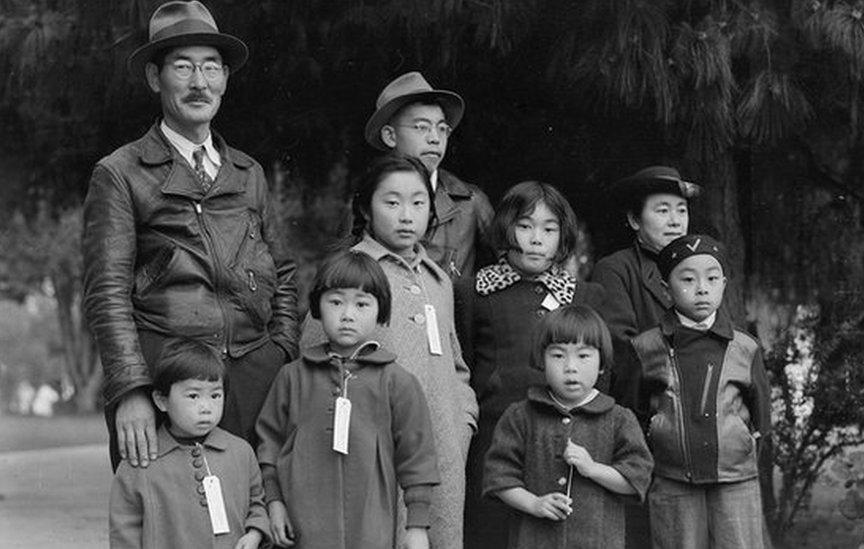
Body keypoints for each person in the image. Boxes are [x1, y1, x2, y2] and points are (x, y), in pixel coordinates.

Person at [82, 1, 299, 471]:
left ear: (224, 77)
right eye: (183, 67)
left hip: (254, 374)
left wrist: (280, 353)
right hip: (167, 376)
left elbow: (282, 273)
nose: (199, 82)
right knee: (167, 524)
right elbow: (107, 294)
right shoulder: (120, 173)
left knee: (256, 523)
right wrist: (132, 390)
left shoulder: (248, 172)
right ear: (155, 78)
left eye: (210, 67)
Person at [302, 154, 477, 549]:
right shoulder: (348, 273)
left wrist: (461, 420)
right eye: (392, 202)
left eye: (418, 203)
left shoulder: (438, 280)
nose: (406, 215)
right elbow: (312, 361)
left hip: (442, 454)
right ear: (366, 207)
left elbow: (456, 363)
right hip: (371, 454)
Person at [455, 181, 605, 548]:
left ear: (562, 236)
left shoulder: (584, 296)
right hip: (493, 441)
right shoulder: (473, 292)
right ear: (506, 228)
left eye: (549, 229)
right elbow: (464, 364)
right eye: (525, 226)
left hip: (564, 442)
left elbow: (605, 374)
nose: (537, 238)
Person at [256, 250, 439, 549]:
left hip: (371, 530)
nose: (347, 315)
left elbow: (417, 458)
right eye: (336, 302)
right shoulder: (292, 377)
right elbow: (269, 446)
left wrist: (416, 526)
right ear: (317, 307)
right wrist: (274, 503)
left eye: (362, 303)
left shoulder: (398, 382)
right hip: (302, 528)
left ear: (381, 311)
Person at [630, 234, 771, 548]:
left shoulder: (744, 347)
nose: (702, 288)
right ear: (666, 288)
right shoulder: (647, 347)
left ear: (723, 284)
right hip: (672, 480)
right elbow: (634, 416)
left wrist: (741, 450)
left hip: (736, 480)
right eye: (688, 279)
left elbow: (762, 416)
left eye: (711, 278)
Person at [481, 305, 653, 549]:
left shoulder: (619, 419)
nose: (570, 366)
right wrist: (534, 504)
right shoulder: (520, 416)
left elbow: (636, 479)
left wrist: (592, 468)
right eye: (558, 355)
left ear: (602, 363)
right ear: (541, 360)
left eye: (583, 356)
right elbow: (498, 478)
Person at [589, 165, 699, 547]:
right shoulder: (616, 269)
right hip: (643, 425)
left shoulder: (700, 270)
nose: (674, 221)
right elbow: (624, 351)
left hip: (698, 427)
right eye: (662, 210)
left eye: (681, 210)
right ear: (635, 219)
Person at [109, 338, 270, 549]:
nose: (206, 407)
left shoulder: (241, 452)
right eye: (193, 396)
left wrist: (256, 532)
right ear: (162, 401)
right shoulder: (139, 463)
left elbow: (257, 502)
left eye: (215, 395)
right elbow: (124, 531)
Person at [364, 71, 494, 279]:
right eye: (421, 127)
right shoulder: (366, 201)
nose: (435, 138)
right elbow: (342, 279)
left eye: (442, 129)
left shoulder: (470, 203)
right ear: (390, 136)